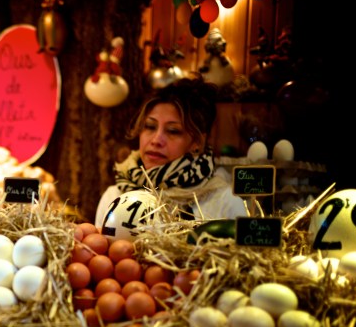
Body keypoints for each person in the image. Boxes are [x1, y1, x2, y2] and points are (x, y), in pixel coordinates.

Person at [95, 77, 247, 230]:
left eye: (173, 131)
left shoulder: (223, 201)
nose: (156, 140)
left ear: (197, 142)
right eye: (150, 126)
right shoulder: (114, 197)